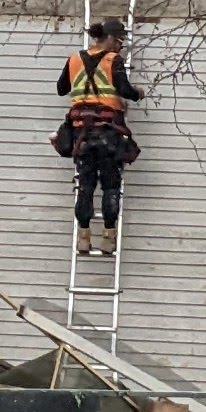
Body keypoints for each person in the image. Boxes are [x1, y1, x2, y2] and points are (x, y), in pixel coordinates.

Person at [54, 14, 142, 257]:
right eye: (120, 41)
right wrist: (138, 94)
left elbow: (61, 89)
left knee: (86, 186)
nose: (121, 45)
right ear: (111, 39)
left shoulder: (74, 60)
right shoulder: (113, 60)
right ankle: (108, 238)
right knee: (111, 186)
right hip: (108, 133)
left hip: (81, 134)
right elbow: (124, 90)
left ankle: (83, 237)